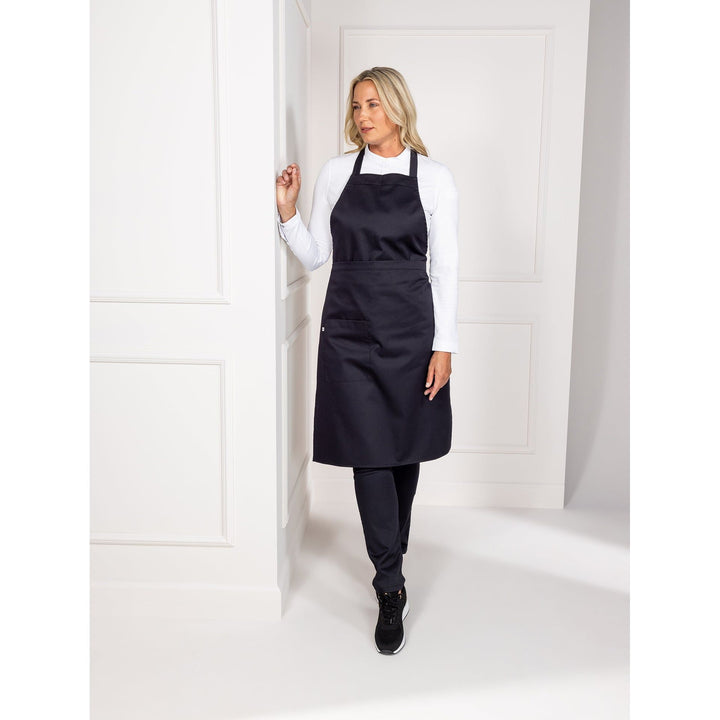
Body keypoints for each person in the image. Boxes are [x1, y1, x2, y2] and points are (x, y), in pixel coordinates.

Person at [275, 66, 459, 655]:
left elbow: (445, 268)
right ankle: (389, 584)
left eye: (374, 104)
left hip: (411, 333)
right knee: (369, 454)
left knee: (403, 449)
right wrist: (287, 214)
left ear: (398, 108)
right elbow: (316, 256)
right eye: (357, 106)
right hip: (350, 334)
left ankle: (391, 553)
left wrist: (445, 345)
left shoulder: (433, 177)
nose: (363, 115)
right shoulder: (336, 173)